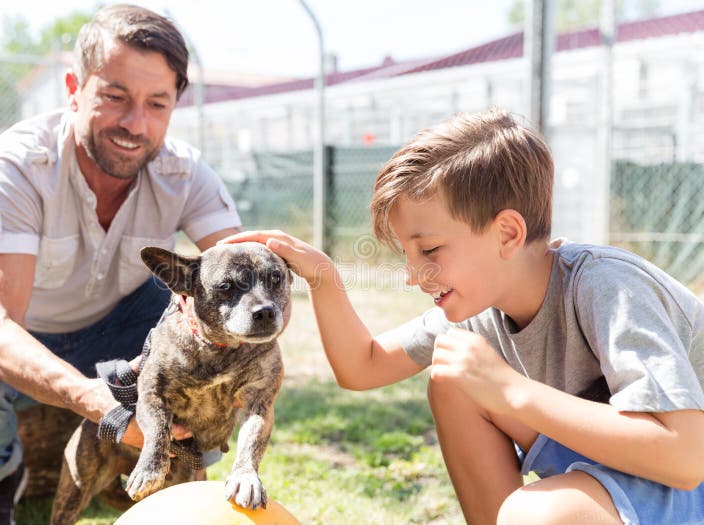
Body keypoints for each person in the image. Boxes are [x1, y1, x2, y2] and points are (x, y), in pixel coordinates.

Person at [222, 108, 704, 524]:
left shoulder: (606, 285)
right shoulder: (481, 305)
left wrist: (511, 390)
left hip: (688, 473)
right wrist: (323, 276)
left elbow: (684, 456)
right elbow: (363, 365)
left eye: (429, 249)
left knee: (533, 514)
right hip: (627, 470)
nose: (413, 276)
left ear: (508, 234)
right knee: (452, 380)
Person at [0, 4, 241, 524]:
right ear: (74, 87)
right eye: (115, 97)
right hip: (11, 331)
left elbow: (241, 278)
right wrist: (105, 406)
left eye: (157, 103)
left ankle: (170, 479)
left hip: (120, 329)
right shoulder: (19, 163)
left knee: (219, 345)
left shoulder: (186, 171)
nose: (136, 124)